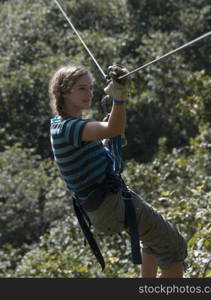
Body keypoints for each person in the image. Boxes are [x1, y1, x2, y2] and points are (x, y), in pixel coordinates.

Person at [49, 64, 187, 278]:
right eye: (82, 88)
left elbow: (105, 137)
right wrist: (119, 99)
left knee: (152, 241)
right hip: (109, 204)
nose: (89, 93)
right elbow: (114, 128)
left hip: (103, 206)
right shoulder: (69, 127)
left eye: (91, 88)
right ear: (65, 92)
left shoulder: (62, 125)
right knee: (173, 247)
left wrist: (108, 137)